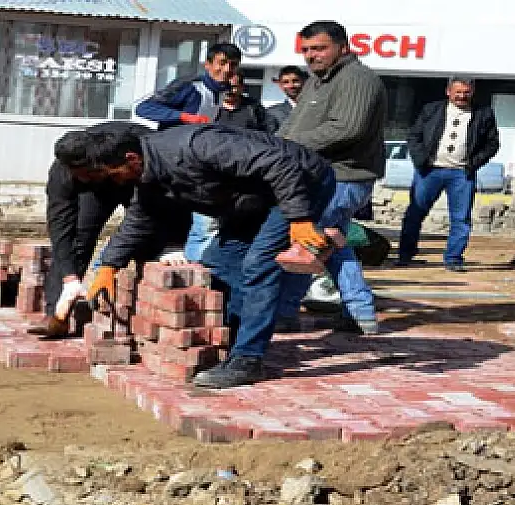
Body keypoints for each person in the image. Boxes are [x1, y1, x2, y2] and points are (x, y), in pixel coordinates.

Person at [71, 124, 337, 389]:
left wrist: (299, 218)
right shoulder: (148, 175)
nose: (115, 182)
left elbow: (280, 163)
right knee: (220, 263)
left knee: (260, 264)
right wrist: (108, 266)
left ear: (131, 159)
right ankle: (232, 343)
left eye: (113, 175)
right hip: (252, 199)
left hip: (301, 183)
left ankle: (248, 359)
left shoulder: (197, 145)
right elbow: (140, 219)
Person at [278, 20, 385, 336]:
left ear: (343, 47)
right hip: (320, 176)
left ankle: (284, 313)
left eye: (320, 48)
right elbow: (292, 127)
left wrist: (289, 147)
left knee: (309, 242)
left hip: (345, 177)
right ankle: (360, 313)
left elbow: (347, 129)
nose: (312, 55)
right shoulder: (316, 81)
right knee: (328, 243)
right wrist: (271, 147)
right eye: (307, 50)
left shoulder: (357, 79)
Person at [28, 122, 163, 338]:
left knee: (148, 235)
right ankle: (56, 313)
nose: (81, 179)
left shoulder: (128, 148)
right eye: (78, 176)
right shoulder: (63, 173)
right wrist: (70, 278)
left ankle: (149, 314)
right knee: (79, 239)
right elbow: (60, 227)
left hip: (138, 179)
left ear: (96, 165)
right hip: (100, 191)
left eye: (86, 174)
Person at [136, 43, 243, 263]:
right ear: (208, 65)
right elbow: (144, 108)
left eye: (232, 65)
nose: (226, 70)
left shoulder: (222, 94)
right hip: (167, 155)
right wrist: (185, 117)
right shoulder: (190, 86)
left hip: (193, 159)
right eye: (221, 64)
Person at [398, 77, 500, 271]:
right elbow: (414, 136)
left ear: (472, 92)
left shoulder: (483, 114)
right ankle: (405, 256)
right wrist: (421, 160)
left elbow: (492, 143)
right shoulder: (431, 110)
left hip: (461, 174)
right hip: (429, 172)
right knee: (415, 213)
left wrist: (474, 163)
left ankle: (453, 259)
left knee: (460, 219)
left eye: (466, 92)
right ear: (448, 91)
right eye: (458, 92)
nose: (462, 96)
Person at [266, 65, 307, 133]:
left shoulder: (317, 108)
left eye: (295, 81)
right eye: (286, 82)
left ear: (304, 82)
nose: (291, 85)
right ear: (281, 86)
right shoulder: (272, 113)